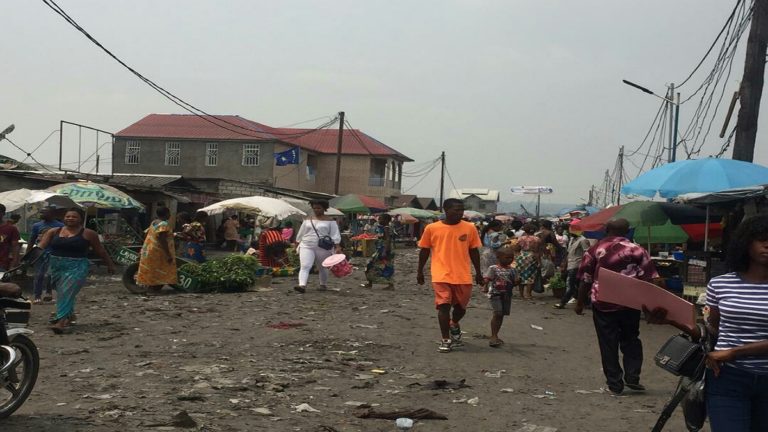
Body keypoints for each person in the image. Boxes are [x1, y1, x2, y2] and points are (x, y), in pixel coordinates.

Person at [645, 214, 768, 431]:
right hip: (727, 378)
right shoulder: (721, 284)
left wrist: (733, 352)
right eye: (761, 238)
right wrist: (671, 320)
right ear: (746, 243)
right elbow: (712, 330)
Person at [575, 218, 658, 395]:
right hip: (631, 302)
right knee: (631, 338)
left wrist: (580, 302)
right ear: (627, 231)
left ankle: (615, 383)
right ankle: (632, 376)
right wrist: (650, 305)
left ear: (606, 229)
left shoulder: (596, 249)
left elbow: (585, 278)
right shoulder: (637, 249)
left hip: (603, 303)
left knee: (608, 342)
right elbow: (650, 277)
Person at [417, 198, 483, 353]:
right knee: (443, 306)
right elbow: (425, 250)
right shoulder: (432, 228)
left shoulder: (470, 228)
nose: (459, 212)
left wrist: (479, 272)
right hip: (440, 274)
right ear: (446, 210)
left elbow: (474, 250)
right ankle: (446, 339)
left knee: (460, 308)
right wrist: (420, 271)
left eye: (461, 209)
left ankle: (454, 322)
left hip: (463, 275)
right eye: (456, 209)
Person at [38, 207, 115, 334]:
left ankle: (60, 321)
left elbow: (100, 250)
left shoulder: (88, 233)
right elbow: (41, 246)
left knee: (66, 291)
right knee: (63, 292)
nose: (70, 218)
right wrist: (28, 259)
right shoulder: (54, 231)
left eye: (74, 216)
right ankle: (70, 315)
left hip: (77, 267)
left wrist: (110, 264)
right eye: (68, 216)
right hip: (56, 266)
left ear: (80, 219)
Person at [293, 200, 342, 293]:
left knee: (322, 267)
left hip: (323, 247)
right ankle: (302, 285)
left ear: (324, 209)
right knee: (305, 266)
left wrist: (337, 246)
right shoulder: (307, 219)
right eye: (314, 208)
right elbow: (301, 232)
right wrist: (297, 243)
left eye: (319, 208)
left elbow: (335, 235)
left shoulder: (331, 221)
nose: (316, 210)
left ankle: (323, 284)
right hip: (306, 245)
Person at [136, 206, 177, 294]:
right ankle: (152, 289)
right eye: (169, 213)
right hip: (158, 251)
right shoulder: (163, 224)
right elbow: (162, 240)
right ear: (166, 214)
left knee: (153, 269)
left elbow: (146, 234)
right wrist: (168, 254)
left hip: (150, 249)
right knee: (159, 269)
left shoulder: (154, 222)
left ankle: (153, 289)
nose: (170, 215)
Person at [29, 206, 64, 304]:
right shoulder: (37, 225)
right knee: (39, 275)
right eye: (41, 212)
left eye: (44, 212)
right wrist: (29, 253)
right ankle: (37, 296)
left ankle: (49, 293)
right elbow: (32, 240)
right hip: (39, 253)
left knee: (50, 274)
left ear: (52, 213)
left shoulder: (60, 225)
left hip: (54, 253)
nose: (41, 214)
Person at [482, 247, 516, 348]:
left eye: (511, 258)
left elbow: (515, 281)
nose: (509, 260)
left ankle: (495, 334)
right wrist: (485, 286)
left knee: (501, 315)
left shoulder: (513, 270)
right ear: (499, 257)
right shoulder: (493, 268)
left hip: (506, 295)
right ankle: (493, 336)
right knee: (498, 313)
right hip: (495, 294)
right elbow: (488, 278)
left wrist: (517, 281)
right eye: (507, 257)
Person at [553, 228, 591, 309]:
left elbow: (586, 254)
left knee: (570, 284)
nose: (570, 231)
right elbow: (569, 253)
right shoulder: (572, 239)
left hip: (577, 265)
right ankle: (586, 302)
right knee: (576, 284)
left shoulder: (583, 240)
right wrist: (565, 264)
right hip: (571, 264)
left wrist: (584, 266)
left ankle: (563, 302)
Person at [363, 213, 395, 290]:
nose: (379, 220)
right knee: (372, 265)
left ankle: (390, 285)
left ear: (386, 220)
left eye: (380, 219)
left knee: (385, 266)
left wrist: (384, 251)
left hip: (385, 249)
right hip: (381, 249)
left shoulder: (386, 228)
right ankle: (370, 282)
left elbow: (388, 240)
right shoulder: (382, 227)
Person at [513, 223, 542, 300]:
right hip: (531, 257)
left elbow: (516, 249)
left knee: (521, 276)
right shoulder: (537, 239)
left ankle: (521, 294)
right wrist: (539, 262)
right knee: (530, 276)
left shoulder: (520, 238)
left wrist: (517, 257)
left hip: (521, 257)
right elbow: (536, 252)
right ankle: (528, 294)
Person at [0, 204, 20, 272]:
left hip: (2, 264)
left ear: (3, 213)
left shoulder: (11, 228)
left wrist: (14, 264)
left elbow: (15, 247)